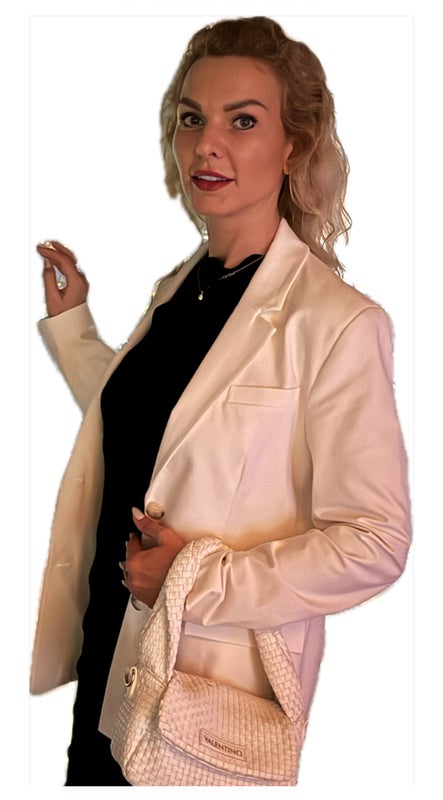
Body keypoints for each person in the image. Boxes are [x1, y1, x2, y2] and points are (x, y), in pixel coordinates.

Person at [31, 16, 411, 787]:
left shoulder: (336, 323)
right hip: (114, 652)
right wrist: (73, 327)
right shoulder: (180, 289)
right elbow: (153, 425)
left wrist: (192, 582)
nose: (207, 144)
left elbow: (373, 543)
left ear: (293, 145)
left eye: (242, 121)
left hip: (202, 693)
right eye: (191, 119)